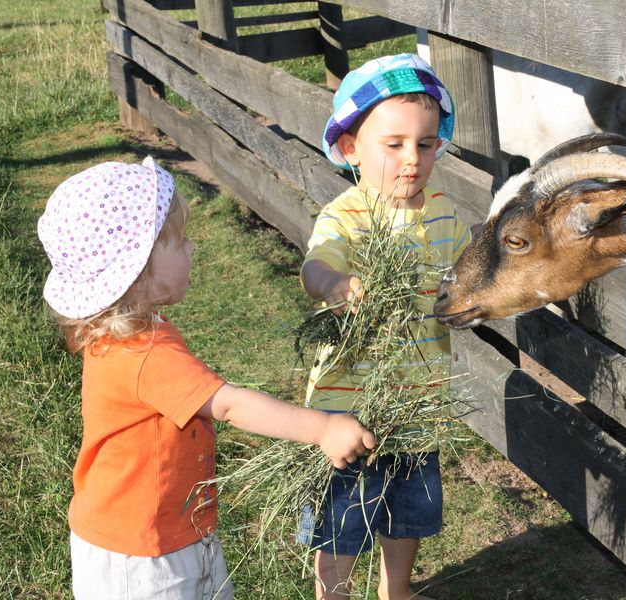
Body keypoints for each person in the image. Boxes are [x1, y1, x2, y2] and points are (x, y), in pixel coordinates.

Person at [36, 157, 377, 599]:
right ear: (138, 274)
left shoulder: (134, 335)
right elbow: (230, 405)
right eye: (179, 242)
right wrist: (325, 428)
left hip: (172, 527)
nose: (193, 248)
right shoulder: (146, 356)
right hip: (143, 558)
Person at [299, 53, 472, 600]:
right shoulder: (346, 215)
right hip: (348, 401)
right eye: (392, 145)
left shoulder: (445, 213)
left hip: (419, 401)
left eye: (425, 144)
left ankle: (396, 588)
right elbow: (316, 262)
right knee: (342, 510)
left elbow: (471, 271)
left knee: (410, 508)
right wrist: (332, 285)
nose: (411, 160)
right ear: (350, 148)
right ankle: (337, 592)